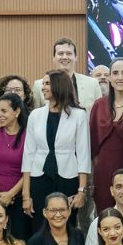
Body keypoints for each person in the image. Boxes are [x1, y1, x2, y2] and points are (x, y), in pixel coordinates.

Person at [24, 72, 91, 226]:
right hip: (39, 177)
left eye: (47, 83)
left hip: (68, 177)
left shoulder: (79, 115)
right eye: (43, 84)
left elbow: (83, 154)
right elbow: (28, 155)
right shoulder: (35, 115)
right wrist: (26, 195)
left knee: (66, 224)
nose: (43, 87)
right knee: (40, 224)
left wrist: (81, 191)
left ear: (59, 85)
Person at [89, 59, 123, 212]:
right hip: (104, 170)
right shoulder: (99, 105)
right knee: (106, 214)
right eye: (115, 73)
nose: (120, 77)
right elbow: (92, 141)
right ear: (110, 77)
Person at [0, 94, 32, 240]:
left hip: (19, 199)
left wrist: (10, 194)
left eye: (4, 111)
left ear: (16, 112)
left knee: (19, 240)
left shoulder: (29, 136)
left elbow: (28, 170)